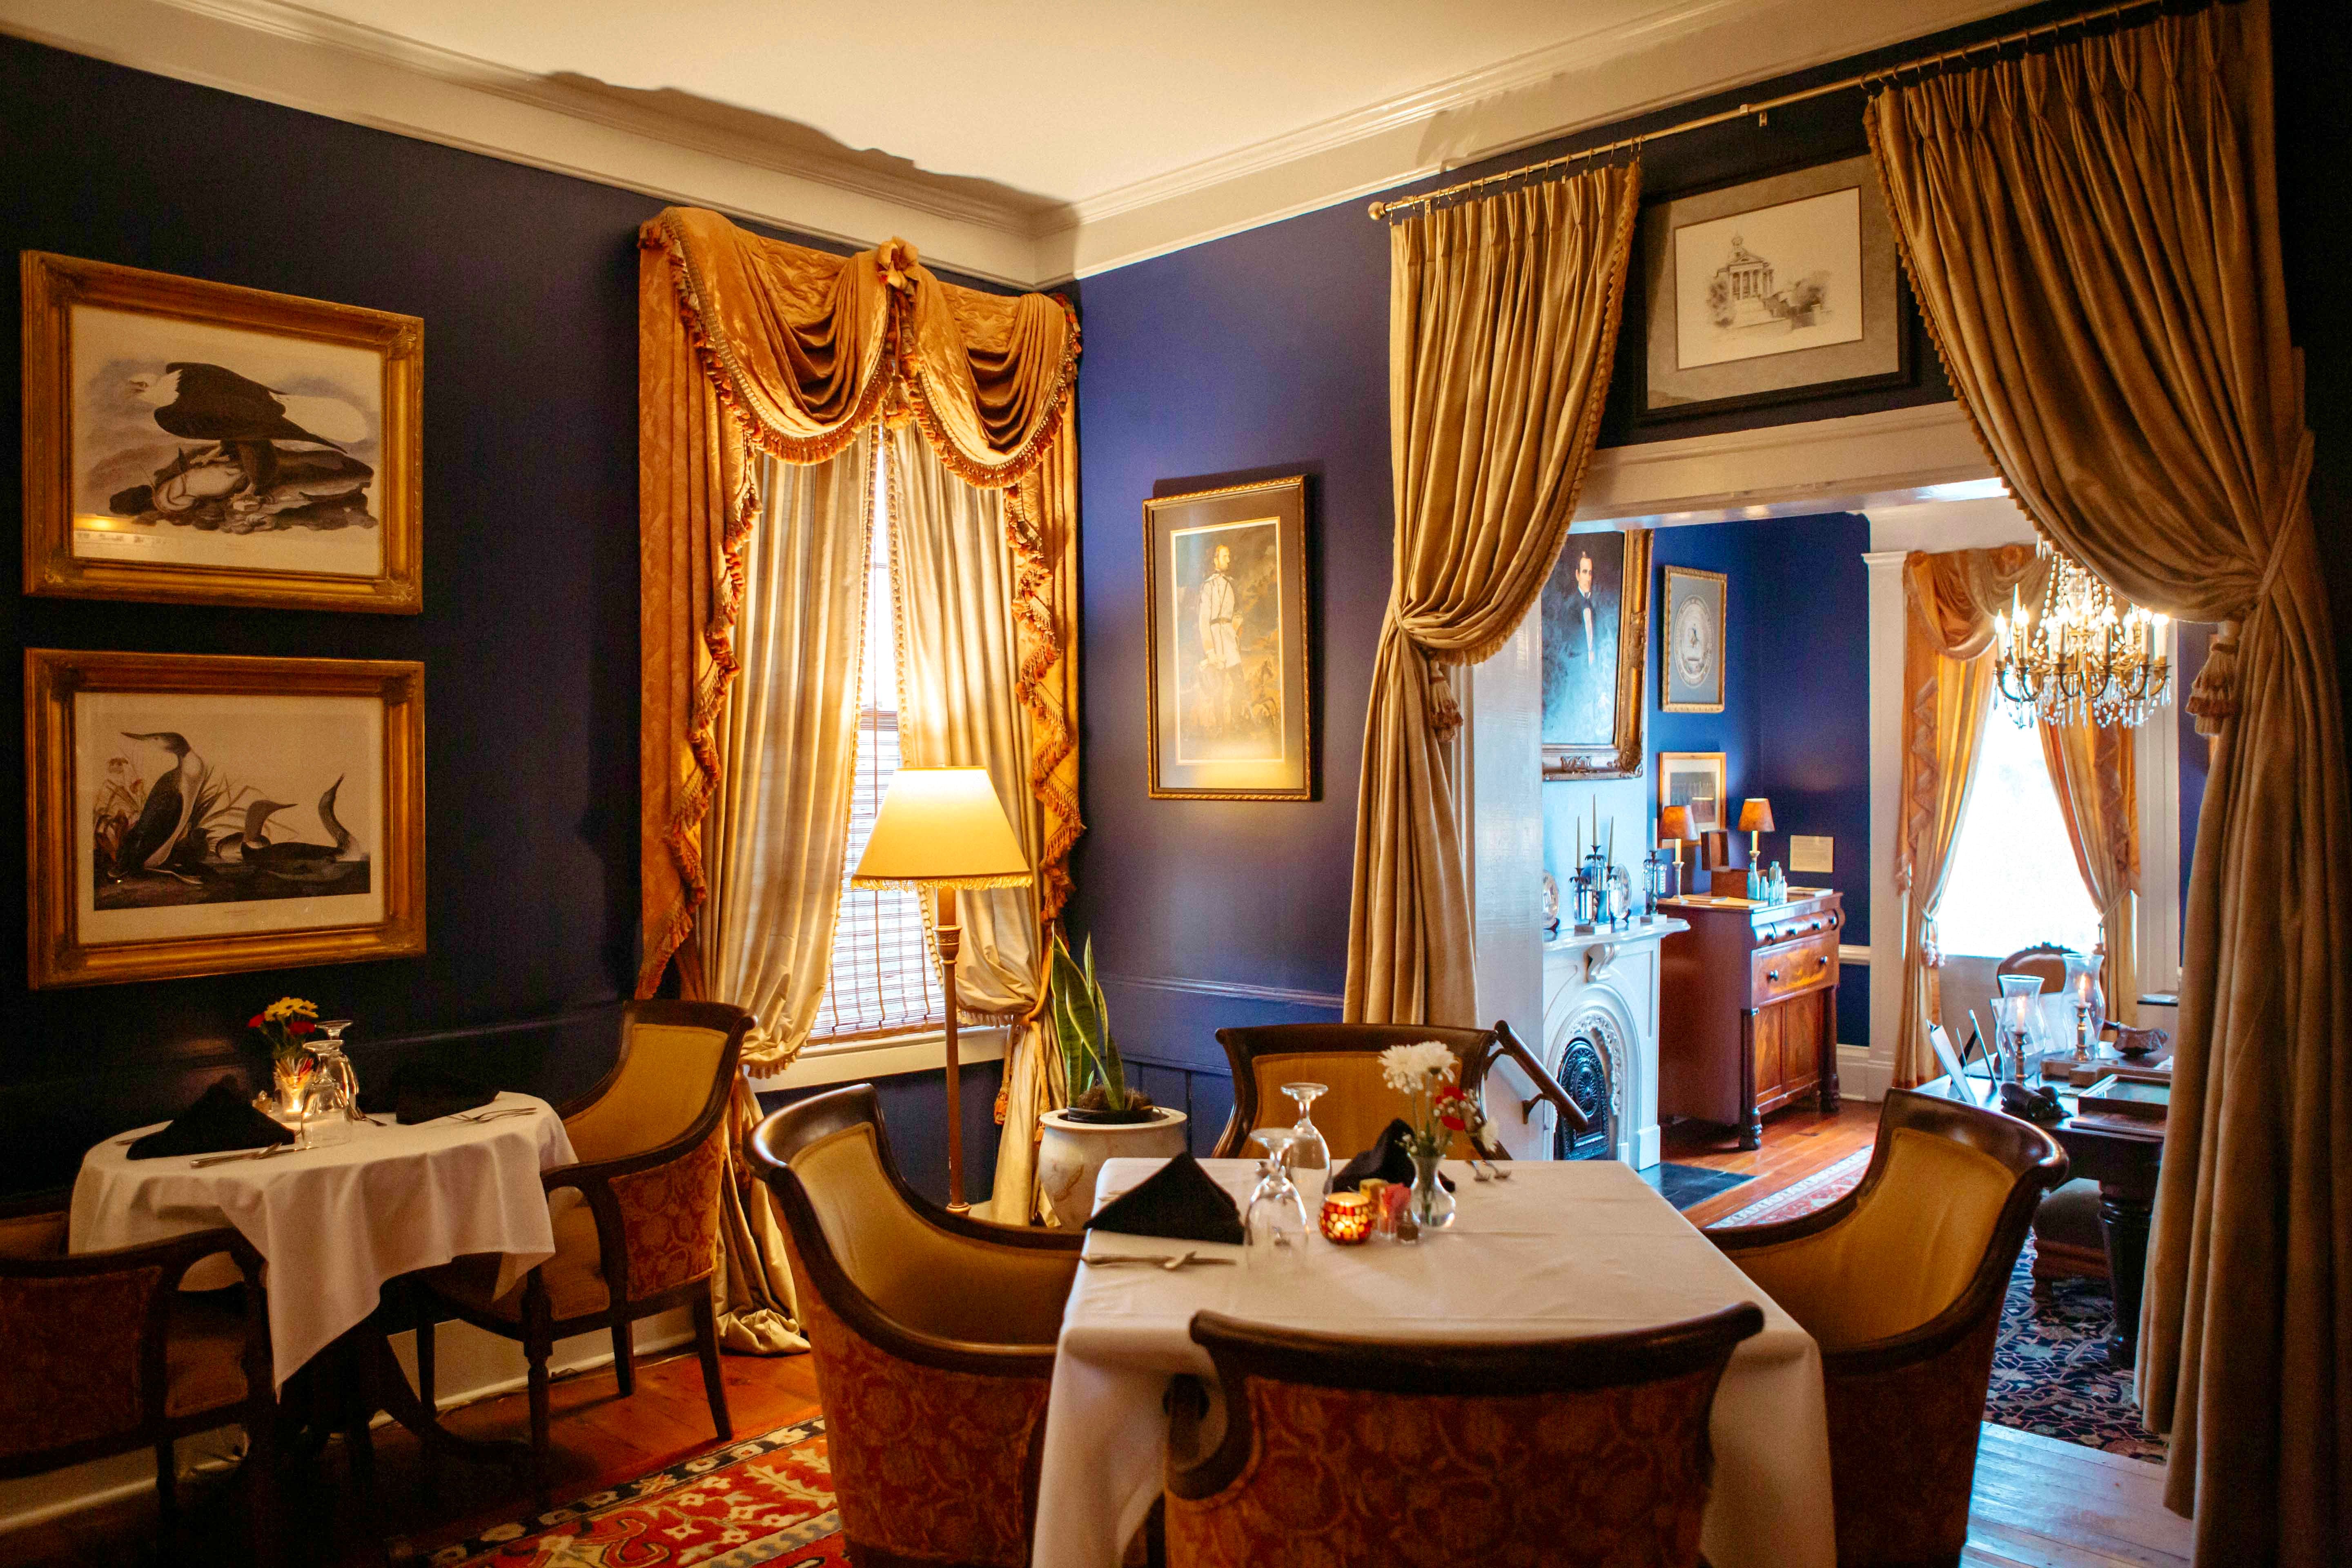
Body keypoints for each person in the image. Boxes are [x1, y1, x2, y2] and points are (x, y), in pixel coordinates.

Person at [1196, 542, 1243, 734]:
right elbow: (1203, 621)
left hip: (1230, 642)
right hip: (1215, 643)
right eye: (1225, 557)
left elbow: (1238, 612)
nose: (1229, 560)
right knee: (1218, 688)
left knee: (1240, 683)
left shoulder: (1232, 584)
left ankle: (1237, 723)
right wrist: (1210, 651)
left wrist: (1235, 632)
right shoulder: (1208, 587)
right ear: (1216, 560)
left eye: (1229, 556)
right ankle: (1220, 728)